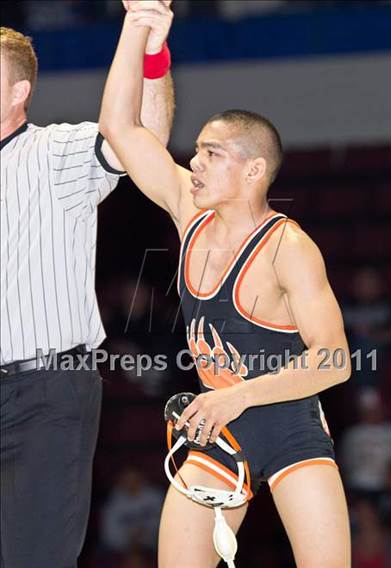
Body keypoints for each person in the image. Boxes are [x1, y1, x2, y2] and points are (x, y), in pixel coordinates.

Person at [99, 3, 352, 566]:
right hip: (218, 430)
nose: (194, 163)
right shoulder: (189, 213)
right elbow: (121, 128)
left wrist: (237, 395)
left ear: (254, 170)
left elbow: (335, 361)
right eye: (198, 151)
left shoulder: (289, 247)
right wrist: (139, 30)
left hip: (288, 426)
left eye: (212, 153)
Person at [0, 2, 174, 566]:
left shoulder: (53, 153)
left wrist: (148, 44)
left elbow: (141, 134)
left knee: (35, 558)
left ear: (18, 91)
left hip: (43, 392)